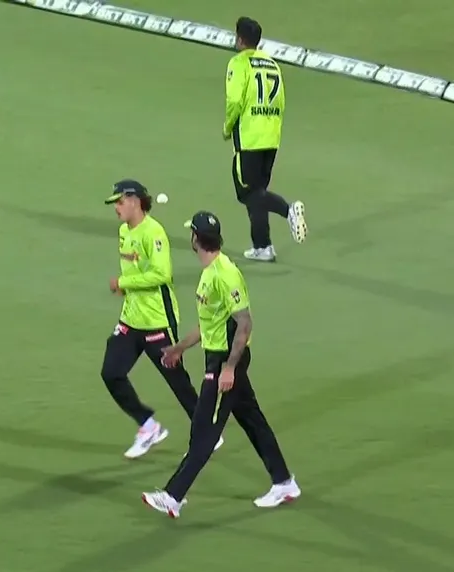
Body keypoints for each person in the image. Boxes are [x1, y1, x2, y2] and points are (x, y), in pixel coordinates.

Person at [142, 211, 300, 518]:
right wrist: (179, 348)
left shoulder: (225, 274)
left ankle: (173, 497)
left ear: (196, 239)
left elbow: (245, 323)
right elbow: (209, 324)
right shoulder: (210, 272)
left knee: (205, 429)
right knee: (252, 419)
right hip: (218, 356)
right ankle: (284, 482)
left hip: (226, 361)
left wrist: (229, 368)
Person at [102, 180, 223, 459]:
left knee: (176, 379)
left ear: (135, 201)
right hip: (131, 319)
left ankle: (207, 431)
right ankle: (148, 426)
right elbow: (136, 270)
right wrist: (127, 288)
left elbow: (161, 274)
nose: (116, 208)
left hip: (157, 320)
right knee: (111, 372)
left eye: (120, 201)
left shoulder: (154, 232)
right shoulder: (124, 231)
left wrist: (123, 282)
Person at [224, 16, 308, 262]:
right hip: (271, 136)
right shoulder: (272, 64)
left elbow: (234, 101)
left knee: (246, 192)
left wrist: (228, 127)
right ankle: (263, 246)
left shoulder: (238, 63)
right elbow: (281, 100)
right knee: (258, 193)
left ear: (240, 39)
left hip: (250, 137)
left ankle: (288, 210)